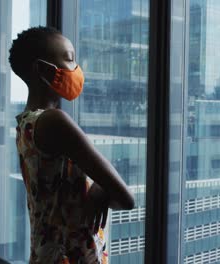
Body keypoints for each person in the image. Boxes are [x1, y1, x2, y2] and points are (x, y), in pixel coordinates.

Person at [9, 26, 135, 264]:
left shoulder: (26, 123)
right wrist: (101, 187)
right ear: (41, 69)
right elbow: (126, 198)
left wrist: (100, 185)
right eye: (69, 60)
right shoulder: (54, 121)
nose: (77, 70)